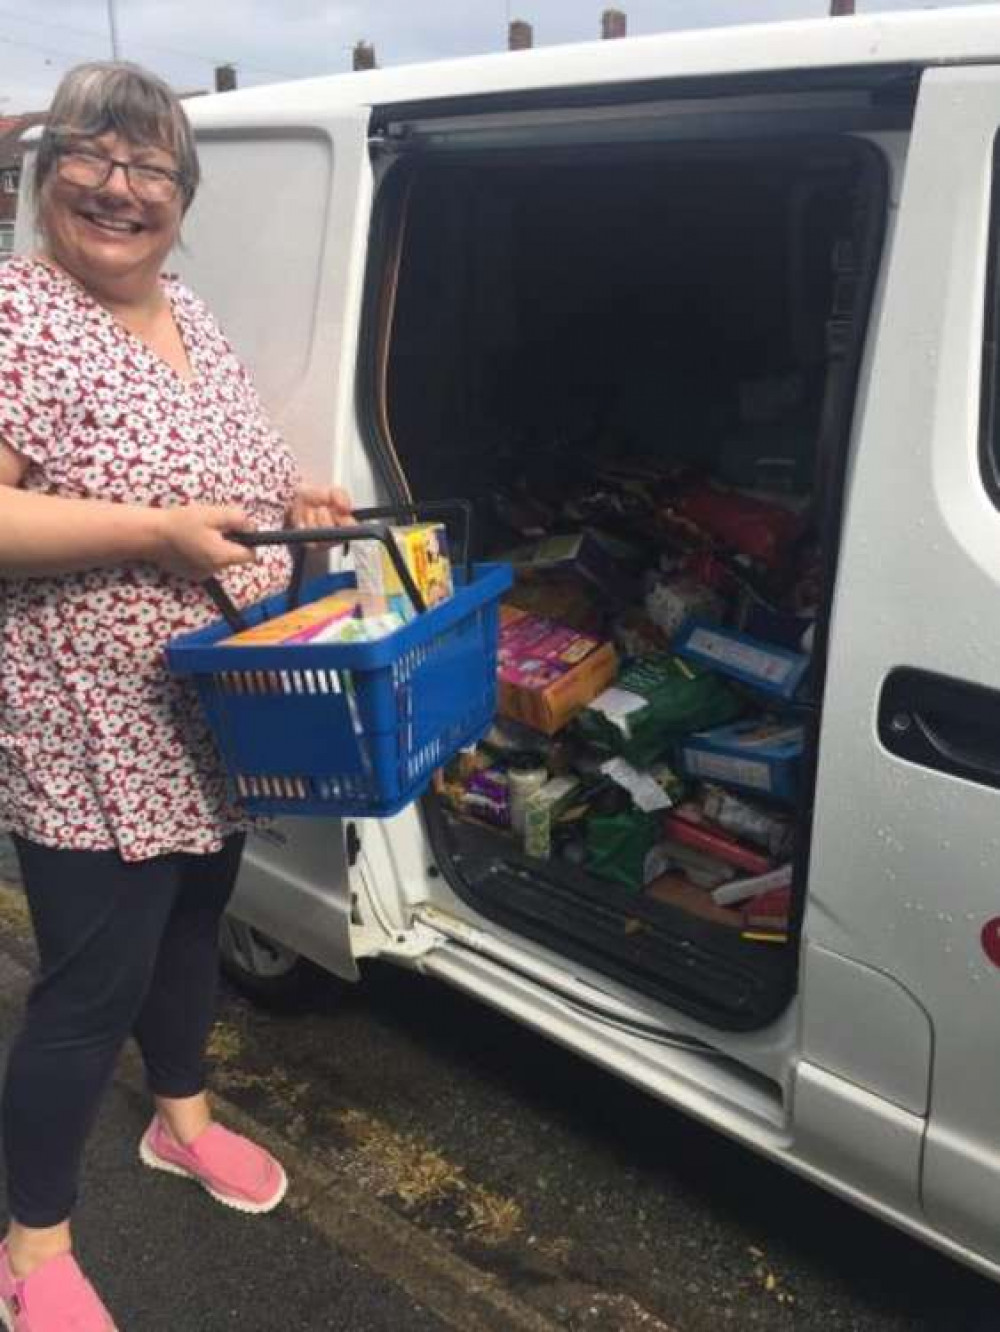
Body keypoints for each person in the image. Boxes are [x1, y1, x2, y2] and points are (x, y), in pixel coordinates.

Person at [0, 62, 352, 1331]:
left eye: (150, 166)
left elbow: (227, 481)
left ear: (182, 198)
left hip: (217, 704)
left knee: (197, 927)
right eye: (90, 155)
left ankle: (181, 1123)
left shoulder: (190, 314)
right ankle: (34, 1249)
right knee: (86, 989)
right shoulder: (16, 313)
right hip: (88, 726)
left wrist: (294, 510)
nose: (118, 185)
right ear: (47, 181)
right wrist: (153, 532)